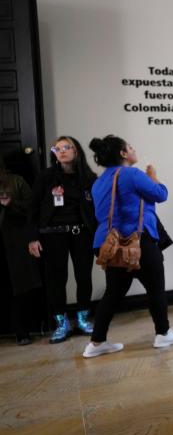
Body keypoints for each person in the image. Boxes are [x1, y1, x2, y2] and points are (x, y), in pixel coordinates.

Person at [83, 135, 173, 358]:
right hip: (136, 241)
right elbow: (161, 195)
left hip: (108, 243)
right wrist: (154, 177)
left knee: (113, 292)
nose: (133, 149)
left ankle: (96, 342)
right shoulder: (132, 173)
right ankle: (163, 333)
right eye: (130, 147)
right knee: (155, 287)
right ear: (123, 154)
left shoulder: (99, 181)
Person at [28, 136, 98, 343]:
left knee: (83, 276)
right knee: (56, 280)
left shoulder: (89, 177)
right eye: (57, 148)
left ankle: (83, 318)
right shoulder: (46, 177)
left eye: (67, 147)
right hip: (52, 234)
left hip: (82, 233)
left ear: (76, 151)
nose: (61, 151)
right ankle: (61, 323)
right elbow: (32, 209)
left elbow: (98, 208)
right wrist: (33, 238)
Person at [0, 157, 42, 345]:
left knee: (21, 287)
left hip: (14, 239)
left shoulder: (16, 181)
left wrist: (11, 204)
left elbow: (31, 207)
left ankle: (22, 331)